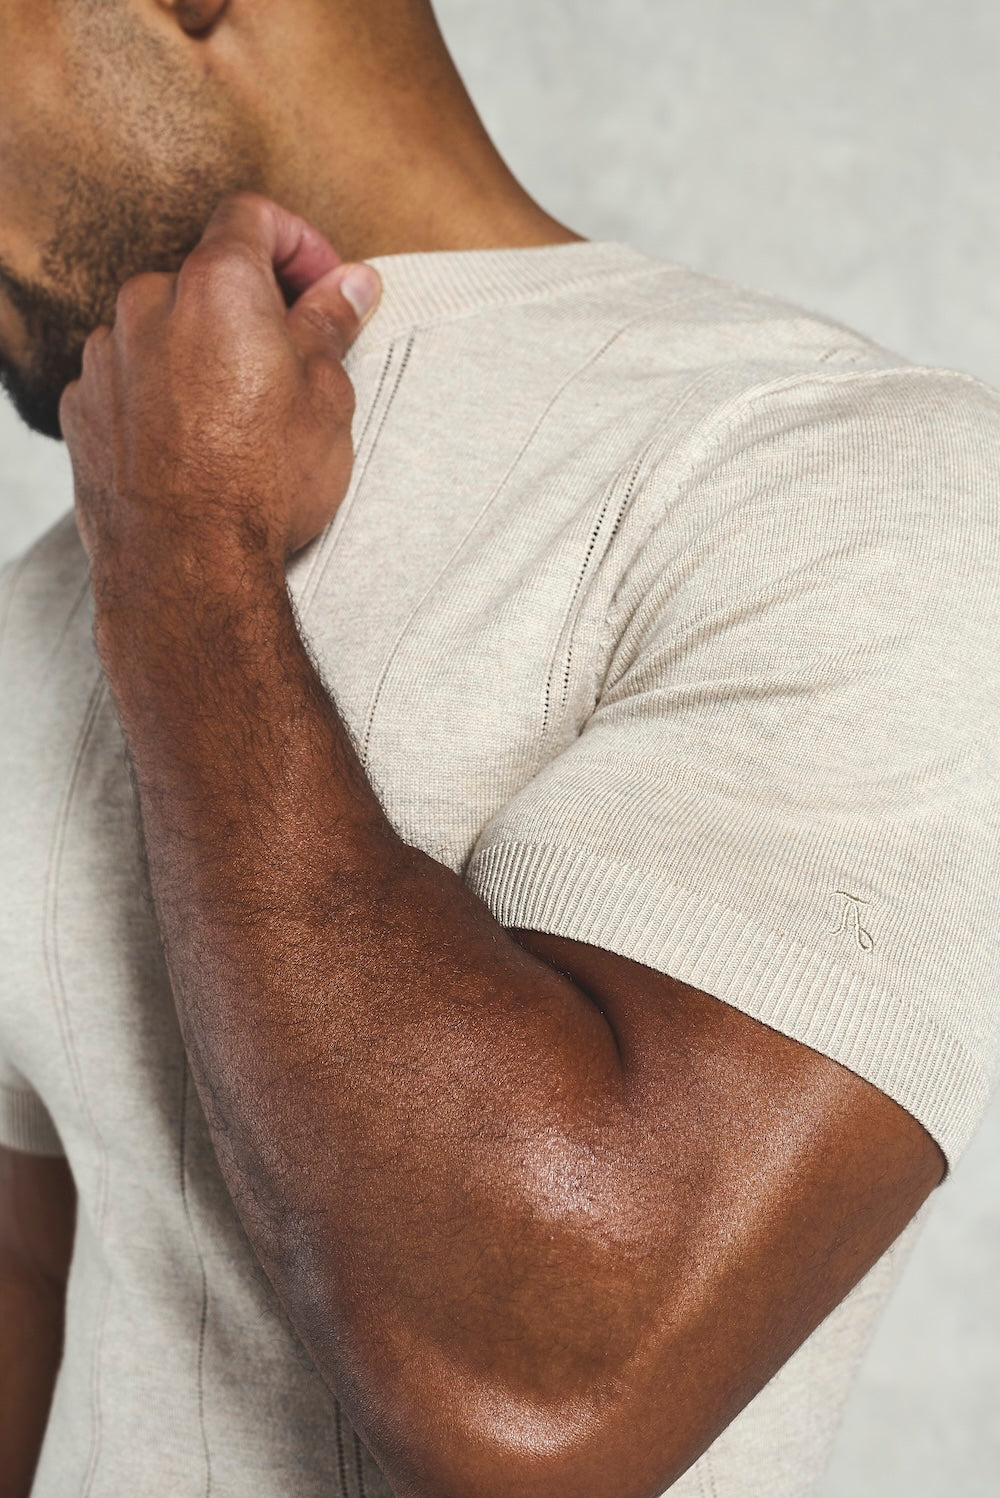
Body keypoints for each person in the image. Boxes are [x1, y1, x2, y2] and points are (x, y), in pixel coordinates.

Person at [0, 2, 997, 1496]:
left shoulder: (851, 482)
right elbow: (39, 1262)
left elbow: (545, 1393)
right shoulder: (70, 575)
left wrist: (194, 568)